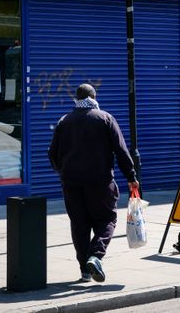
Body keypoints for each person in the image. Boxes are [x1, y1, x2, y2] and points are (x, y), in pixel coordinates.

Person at [48, 84, 139, 283]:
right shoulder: (105, 118)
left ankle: (84, 271)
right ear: (94, 97)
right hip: (100, 182)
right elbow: (122, 151)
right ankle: (95, 256)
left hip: (71, 183)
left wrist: (63, 172)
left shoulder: (64, 121)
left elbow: (52, 153)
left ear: (77, 98)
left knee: (79, 224)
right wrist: (131, 177)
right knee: (107, 219)